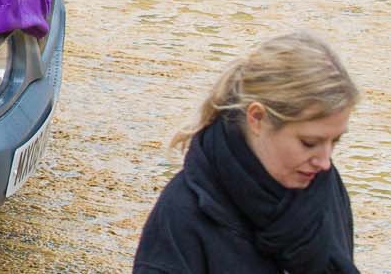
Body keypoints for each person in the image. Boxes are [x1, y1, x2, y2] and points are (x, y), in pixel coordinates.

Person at [134, 31, 363, 274]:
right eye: (309, 143)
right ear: (257, 118)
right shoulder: (181, 217)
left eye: (335, 141)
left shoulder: (322, 184)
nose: (325, 162)